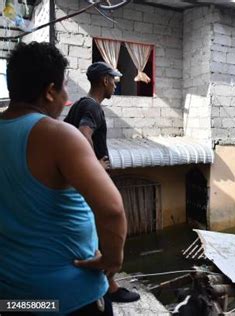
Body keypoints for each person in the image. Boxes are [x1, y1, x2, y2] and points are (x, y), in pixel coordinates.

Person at [0, 42, 127, 315]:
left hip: (13, 299)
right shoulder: (57, 135)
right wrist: (113, 260)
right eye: (64, 87)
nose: (66, 96)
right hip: (70, 299)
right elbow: (112, 210)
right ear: (49, 91)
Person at [64, 62, 140, 303]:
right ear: (104, 81)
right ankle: (110, 287)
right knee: (107, 229)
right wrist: (96, 165)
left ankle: (110, 285)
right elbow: (85, 133)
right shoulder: (92, 107)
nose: (115, 84)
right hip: (91, 181)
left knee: (92, 232)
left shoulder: (78, 104)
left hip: (77, 182)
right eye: (114, 79)